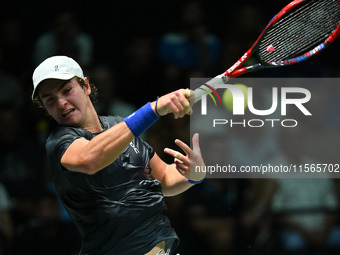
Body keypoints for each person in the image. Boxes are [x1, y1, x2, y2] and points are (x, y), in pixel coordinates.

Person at [31, 55, 205, 255]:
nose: (61, 103)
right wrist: (154, 109)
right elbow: (89, 159)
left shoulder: (117, 126)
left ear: (86, 86)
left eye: (67, 90)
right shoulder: (59, 142)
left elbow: (165, 177)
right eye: (50, 99)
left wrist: (194, 174)